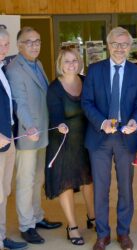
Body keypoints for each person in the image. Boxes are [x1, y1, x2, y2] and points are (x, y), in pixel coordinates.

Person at [81, 27, 137, 250]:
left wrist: (134, 122)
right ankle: (103, 234)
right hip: (99, 138)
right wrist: (102, 123)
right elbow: (87, 102)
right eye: (115, 44)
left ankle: (123, 232)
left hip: (126, 138)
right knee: (101, 188)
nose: (120, 49)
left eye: (124, 44)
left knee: (126, 189)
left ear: (130, 46)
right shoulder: (95, 70)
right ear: (108, 45)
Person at [7, 26, 62, 245]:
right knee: (26, 181)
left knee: (38, 178)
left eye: (37, 41)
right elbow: (19, 102)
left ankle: (37, 217)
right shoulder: (14, 69)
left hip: (42, 131)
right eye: (29, 42)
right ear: (19, 45)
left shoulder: (37, 64)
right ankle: (26, 225)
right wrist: (29, 126)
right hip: (28, 133)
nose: (35, 45)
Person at [45, 46, 95, 245]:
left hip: (86, 140)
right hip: (63, 142)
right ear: (60, 64)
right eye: (66, 61)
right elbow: (56, 116)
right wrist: (61, 125)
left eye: (74, 60)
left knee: (89, 182)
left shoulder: (86, 81)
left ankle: (92, 217)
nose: (71, 64)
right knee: (66, 184)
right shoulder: (54, 88)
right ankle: (72, 226)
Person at [0, 26, 29, 250]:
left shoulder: (3, 69)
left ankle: (0, 238)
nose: (4, 49)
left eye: (6, 44)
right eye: (0, 45)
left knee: (4, 192)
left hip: (8, 139)